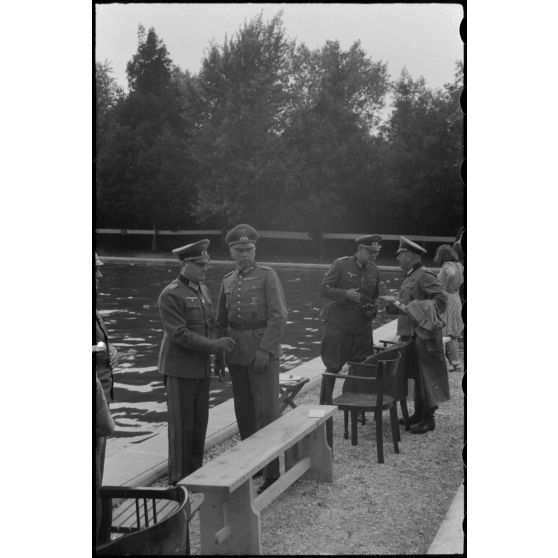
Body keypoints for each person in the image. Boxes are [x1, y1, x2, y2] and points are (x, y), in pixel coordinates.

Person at [215, 224, 288, 494]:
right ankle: (251, 464)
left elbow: (279, 316)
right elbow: (222, 322)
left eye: (249, 249)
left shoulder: (268, 276)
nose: (244, 254)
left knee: (267, 411)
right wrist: (219, 356)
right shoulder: (227, 280)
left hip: (261, 354)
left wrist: (266, 351)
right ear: (231, 251)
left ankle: (271, 472)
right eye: (239, 250)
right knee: (244, 412)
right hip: (236, 353)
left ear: (254, 250)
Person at [157, 240, 236, 485]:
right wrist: (214, 346)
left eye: (206, 264)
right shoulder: (171, 294)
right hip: (180, 370)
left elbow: (210, 326)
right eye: (199, 265)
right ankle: (178, 483)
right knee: (182, 430)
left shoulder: (201, 291)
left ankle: (195, 475)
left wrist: (218, 357)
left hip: (200, 370)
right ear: (184, 264)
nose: (205, 269)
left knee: (199, 425)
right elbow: (179, 334)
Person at [386, 237, 450, 434]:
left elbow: (441, 300)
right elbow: (408, 306)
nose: (398, 260)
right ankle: (419, 413)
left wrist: (416, 310)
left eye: (401, 256)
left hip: (424, 335)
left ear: (410, 256)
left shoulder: (424, 276)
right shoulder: (410, 275)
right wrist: (392, 306)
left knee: (426, 375)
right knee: (414, 375)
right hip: (410, 334)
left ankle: (429, 419)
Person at [318, 235, 382, 405]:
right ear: (360, 249)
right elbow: (324, 289)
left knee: (360, 369)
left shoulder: (375, 270)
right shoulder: (341, 264)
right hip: (340, 327)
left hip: (362, 329)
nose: (374, 255)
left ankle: (354, 404)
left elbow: (374, 297)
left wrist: (373, 308)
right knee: (332, 367)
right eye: (370, 251)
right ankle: (324, 405)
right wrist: (345, 294)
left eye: (376, 252)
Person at [94, 253, 119, 542]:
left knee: (98, 467)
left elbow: (97, 344)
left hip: (102, 393)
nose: (100, 276)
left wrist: (111, 351)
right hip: (94, 397)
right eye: (95, 271)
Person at [434, 244, 464, 372]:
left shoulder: (447, 265)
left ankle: (450, 362)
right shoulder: (459, 266)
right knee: (454, 334)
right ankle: (456, 362)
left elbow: (450, 274)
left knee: (447, 332)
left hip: (447, 301)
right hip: (456, 299)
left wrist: (445, 287)